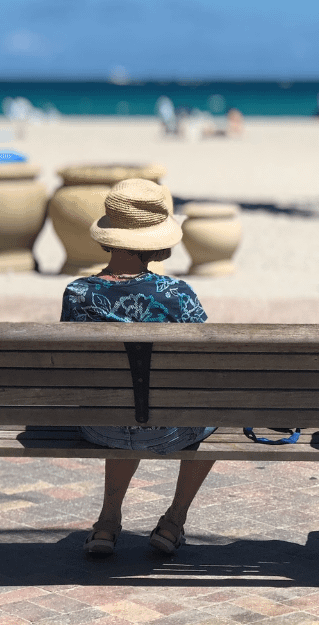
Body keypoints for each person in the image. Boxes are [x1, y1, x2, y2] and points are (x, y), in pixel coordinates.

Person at [61, 178, 216, 558]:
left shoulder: (77, 294)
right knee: (218, 407)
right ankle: (174, 520)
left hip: (99, 427)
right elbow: (206, 360)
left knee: (123, 398)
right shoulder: (178, 296)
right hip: (166, 433)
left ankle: (108, 523)